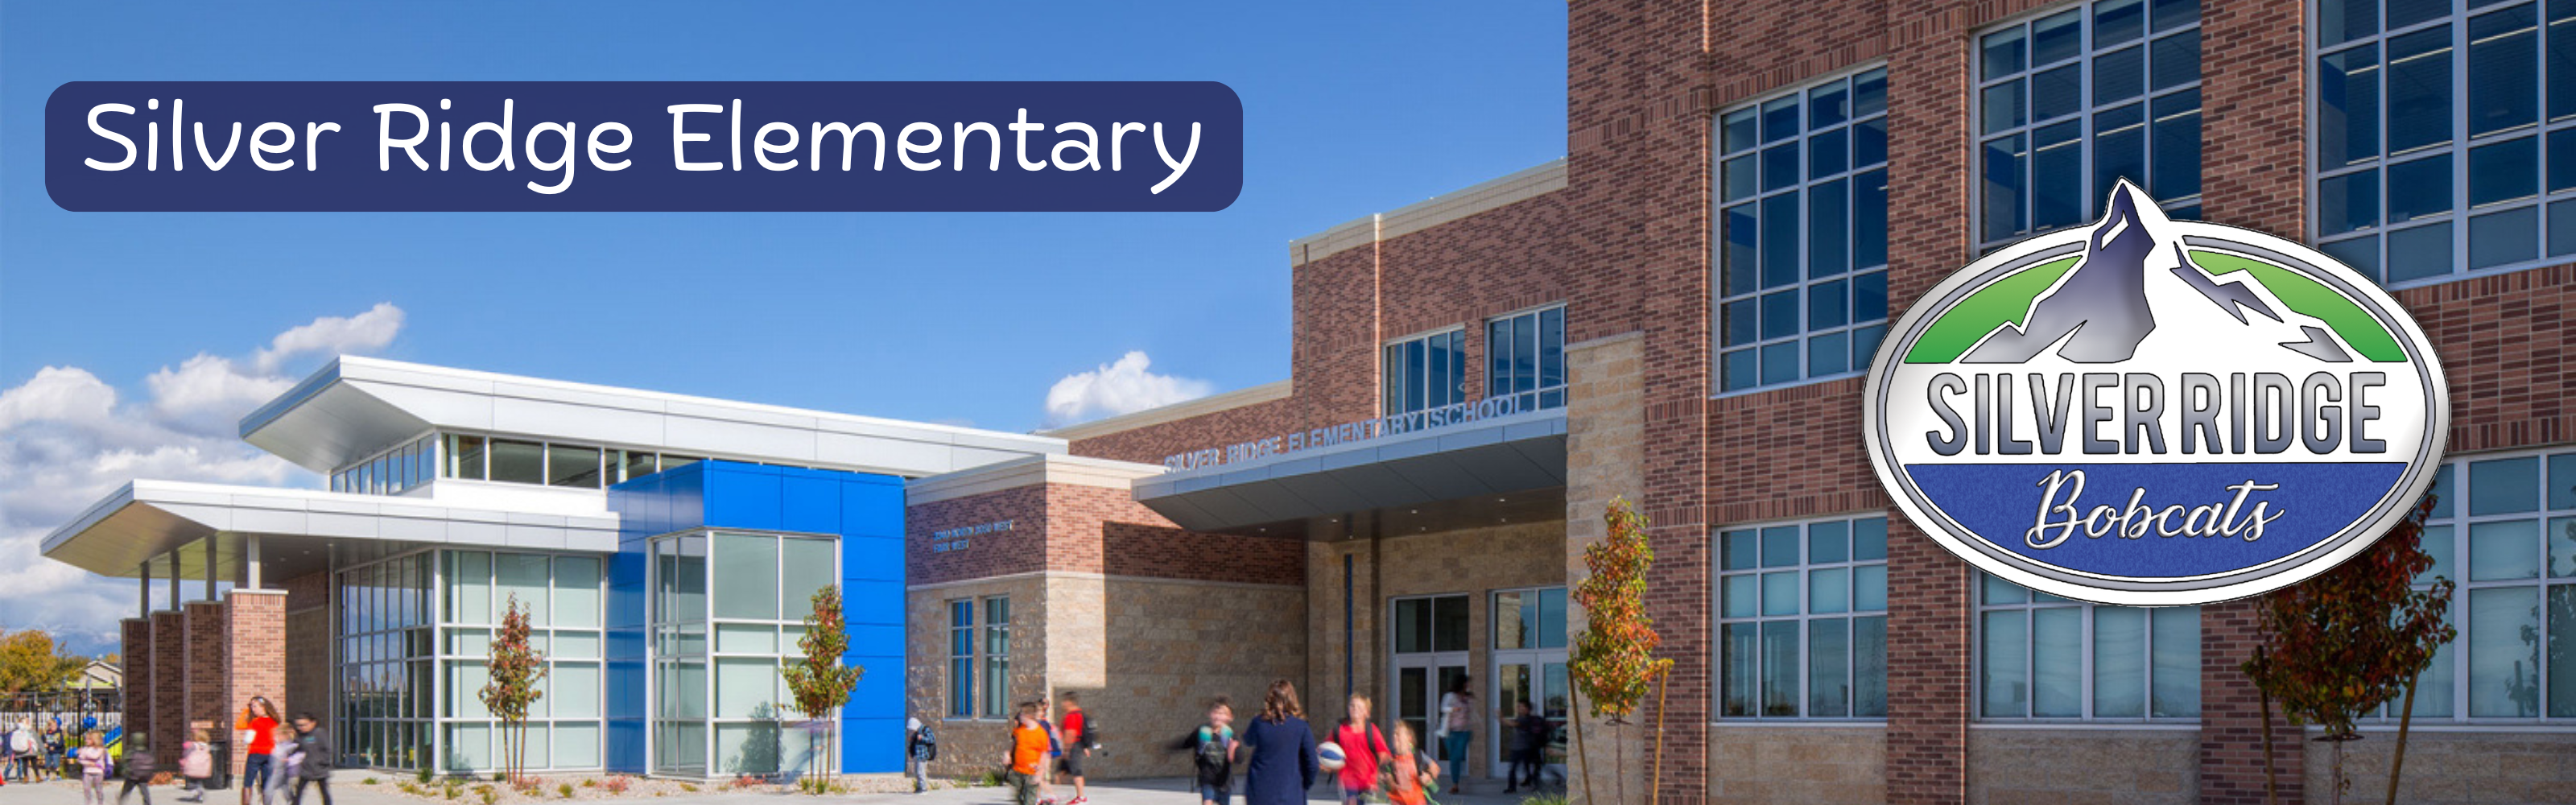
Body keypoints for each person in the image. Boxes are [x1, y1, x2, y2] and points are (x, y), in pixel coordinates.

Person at [1165, 697, 1236, 805]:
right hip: (1207, 779)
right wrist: (1171, 747)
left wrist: (1232, 751)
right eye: (1215, 713)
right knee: (1207, 802)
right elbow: (1187, 743)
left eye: (1223, 714)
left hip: (1224, 782)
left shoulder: (1229, 735)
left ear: (1230, 717)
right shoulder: (1202, 732)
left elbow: (1240, 758)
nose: (1218, 717)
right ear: (1209, 714)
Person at [1329, 695, 1391, 805]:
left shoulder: (1372, 730)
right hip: (1347, 781)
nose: (1355, 709)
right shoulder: (1340, 729)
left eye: (1359, 707)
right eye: (1352, 706)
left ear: (1367, 713)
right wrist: (1327, 764)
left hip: (1369, 781)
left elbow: (1384, 754)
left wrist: (1381, 771)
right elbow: (1327, 748)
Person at [235, 698, 282, 805]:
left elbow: (248, 739)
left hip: (255, 753)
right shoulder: (275, 722)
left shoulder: (255, 723)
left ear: (263, 708)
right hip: (270, 754)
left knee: (248, 782)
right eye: (252, 706)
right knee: (267, 782)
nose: (253, 709)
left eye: (255, 706)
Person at [1379, 722, 1438, 805]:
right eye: (1394, 734)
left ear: (1409, 738)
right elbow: (1381, 779)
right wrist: (1386, 780)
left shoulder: (1418, 756)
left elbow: (1435, 772)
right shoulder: (1389, 759)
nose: (1395, 737)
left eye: (1398, 734)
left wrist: (1429, 780)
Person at [1436, 676, 1476, 795]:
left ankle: (1455, 783)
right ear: (1461, 684)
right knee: (1454, 758)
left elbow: (1473, 712)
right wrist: (1453, 709)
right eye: (1466, 683)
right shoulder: (1450, 696)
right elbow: (1443, 708)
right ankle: (1455, 784)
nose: (1468, 685)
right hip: (1451, 732)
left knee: (1457, 756)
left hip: (1464, 731)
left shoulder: (1468, 698)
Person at [1005, 703, 1050, 805]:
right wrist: (1008, 755)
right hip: (1018, 771)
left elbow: (1044, 754)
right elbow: (1015, 745)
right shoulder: (1020, 730)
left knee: (1029, 800)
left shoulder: (1040, 733)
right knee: (1018, 798)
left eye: (1022, 714)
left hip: (1032, 772)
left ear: (1028, 716)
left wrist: (1040, 773)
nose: (1019, 716)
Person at [287, 714, 332, 805]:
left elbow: (328, 749)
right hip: (306, 768)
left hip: (320, 768)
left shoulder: (319, 733)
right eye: (299, 726)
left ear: (313, 723)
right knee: (299, 791)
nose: (302, 728)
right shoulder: (301, 736)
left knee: (323, 791)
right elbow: (297, 748)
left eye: (304, 725)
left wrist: (324, 761)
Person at [1054, 692, 1090, 805]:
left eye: (1064, 701)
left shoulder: (1071, 716)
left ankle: (1081, 797)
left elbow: (1070, 733)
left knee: (1076, 772)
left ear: (1069, 702)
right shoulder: (1079, 714)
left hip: (1073, 746)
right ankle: (1057, 796)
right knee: (1061, 772)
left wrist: (1066, 750)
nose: (1062, 703)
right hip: (1076, 745)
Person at [1504, 700, 1543, 793]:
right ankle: (1514, 786)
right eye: (1518, 706)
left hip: (1525, 748)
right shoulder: (1520, 718)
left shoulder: (1526, 719)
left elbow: (1514, 724)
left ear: (1527, 709)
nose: (1518, 708)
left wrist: (1502, 717)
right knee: (1517, 768)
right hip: (1517, 748)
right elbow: (1511, 725)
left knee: (1524, 767)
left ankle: (1529, 782)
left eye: (1521, 707)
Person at [263, 725, 299, 805]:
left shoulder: (288, 745)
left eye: (278, 735)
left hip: (279, 770)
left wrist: (288, 759)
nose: (275, 737)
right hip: (276, 768)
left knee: (269, 790)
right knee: (285, 787)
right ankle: (293, 801)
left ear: (284, 736)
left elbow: (296, 749)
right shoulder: (278, 744)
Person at [116, 732, 155, 805]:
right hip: (143, 775)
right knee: (144, 790)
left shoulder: (131, 752)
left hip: (132, 775)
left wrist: (124, 770)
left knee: (126, 789)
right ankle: (147, 802)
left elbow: (123, 761)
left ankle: (121, 800)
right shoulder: (146, 752)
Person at [177, 729, 213, 803]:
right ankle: (199, 794)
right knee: (199, 782)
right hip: (203, 768)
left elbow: (186, 753)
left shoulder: (193, 745)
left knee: (191, 783)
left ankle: (196, 792)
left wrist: (183, 761)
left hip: (193, 767)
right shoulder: (207, 747)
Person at [76, 730, 112, 805]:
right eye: (86, 739)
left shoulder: (100, 749)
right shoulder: (85, 749)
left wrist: (83, 753)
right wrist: (89, 763)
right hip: (87, 771)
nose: (86, 741)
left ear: (95, 740)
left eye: (89, 739)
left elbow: (94, 756)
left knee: (98, 789)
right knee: (86, 789)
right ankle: (88, 803)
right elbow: (80, 760)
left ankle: (100, 803)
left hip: (98, 772)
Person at [903, 716, 935, 795]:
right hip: (917, 755)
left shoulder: (925, 730)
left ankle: (923, 788)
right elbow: (914, 744)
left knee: (921, 771)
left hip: (923, 755)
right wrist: (912, 752)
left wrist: (922, 738)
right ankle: (919, 787)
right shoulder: (916, 732)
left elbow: (932, 739)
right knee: (917, 772)